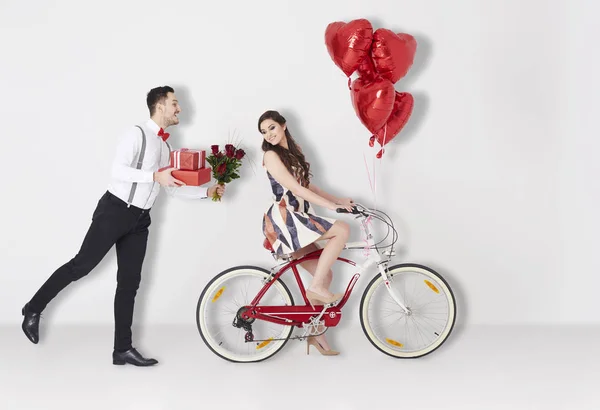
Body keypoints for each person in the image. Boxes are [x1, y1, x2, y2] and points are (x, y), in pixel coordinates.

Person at [21, 86, 225, 366]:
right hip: (115, 211)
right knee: (81, 265)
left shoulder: (165, 146)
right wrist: (154, 175)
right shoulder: (136, 133)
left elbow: (173, 188)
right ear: (160, 105)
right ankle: (33, 308)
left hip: (140, 220)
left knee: (129, 283)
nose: (179, 109)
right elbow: (118, 171)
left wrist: (208, 193)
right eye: (175, 103)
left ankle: (122, 349)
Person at [258, 110, 354, 356]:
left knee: (326, 275)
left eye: (271, 127)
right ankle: (315, 290)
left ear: (283, 125)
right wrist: (331, 208)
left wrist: (337, 199)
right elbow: (293, 189)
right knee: (341, 229)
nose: (268, 134)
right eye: (264, 131)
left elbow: (306, 185)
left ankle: (316, 334)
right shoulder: (270, 155)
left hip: (296, 217)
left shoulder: (292, 150)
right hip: (285, 219)